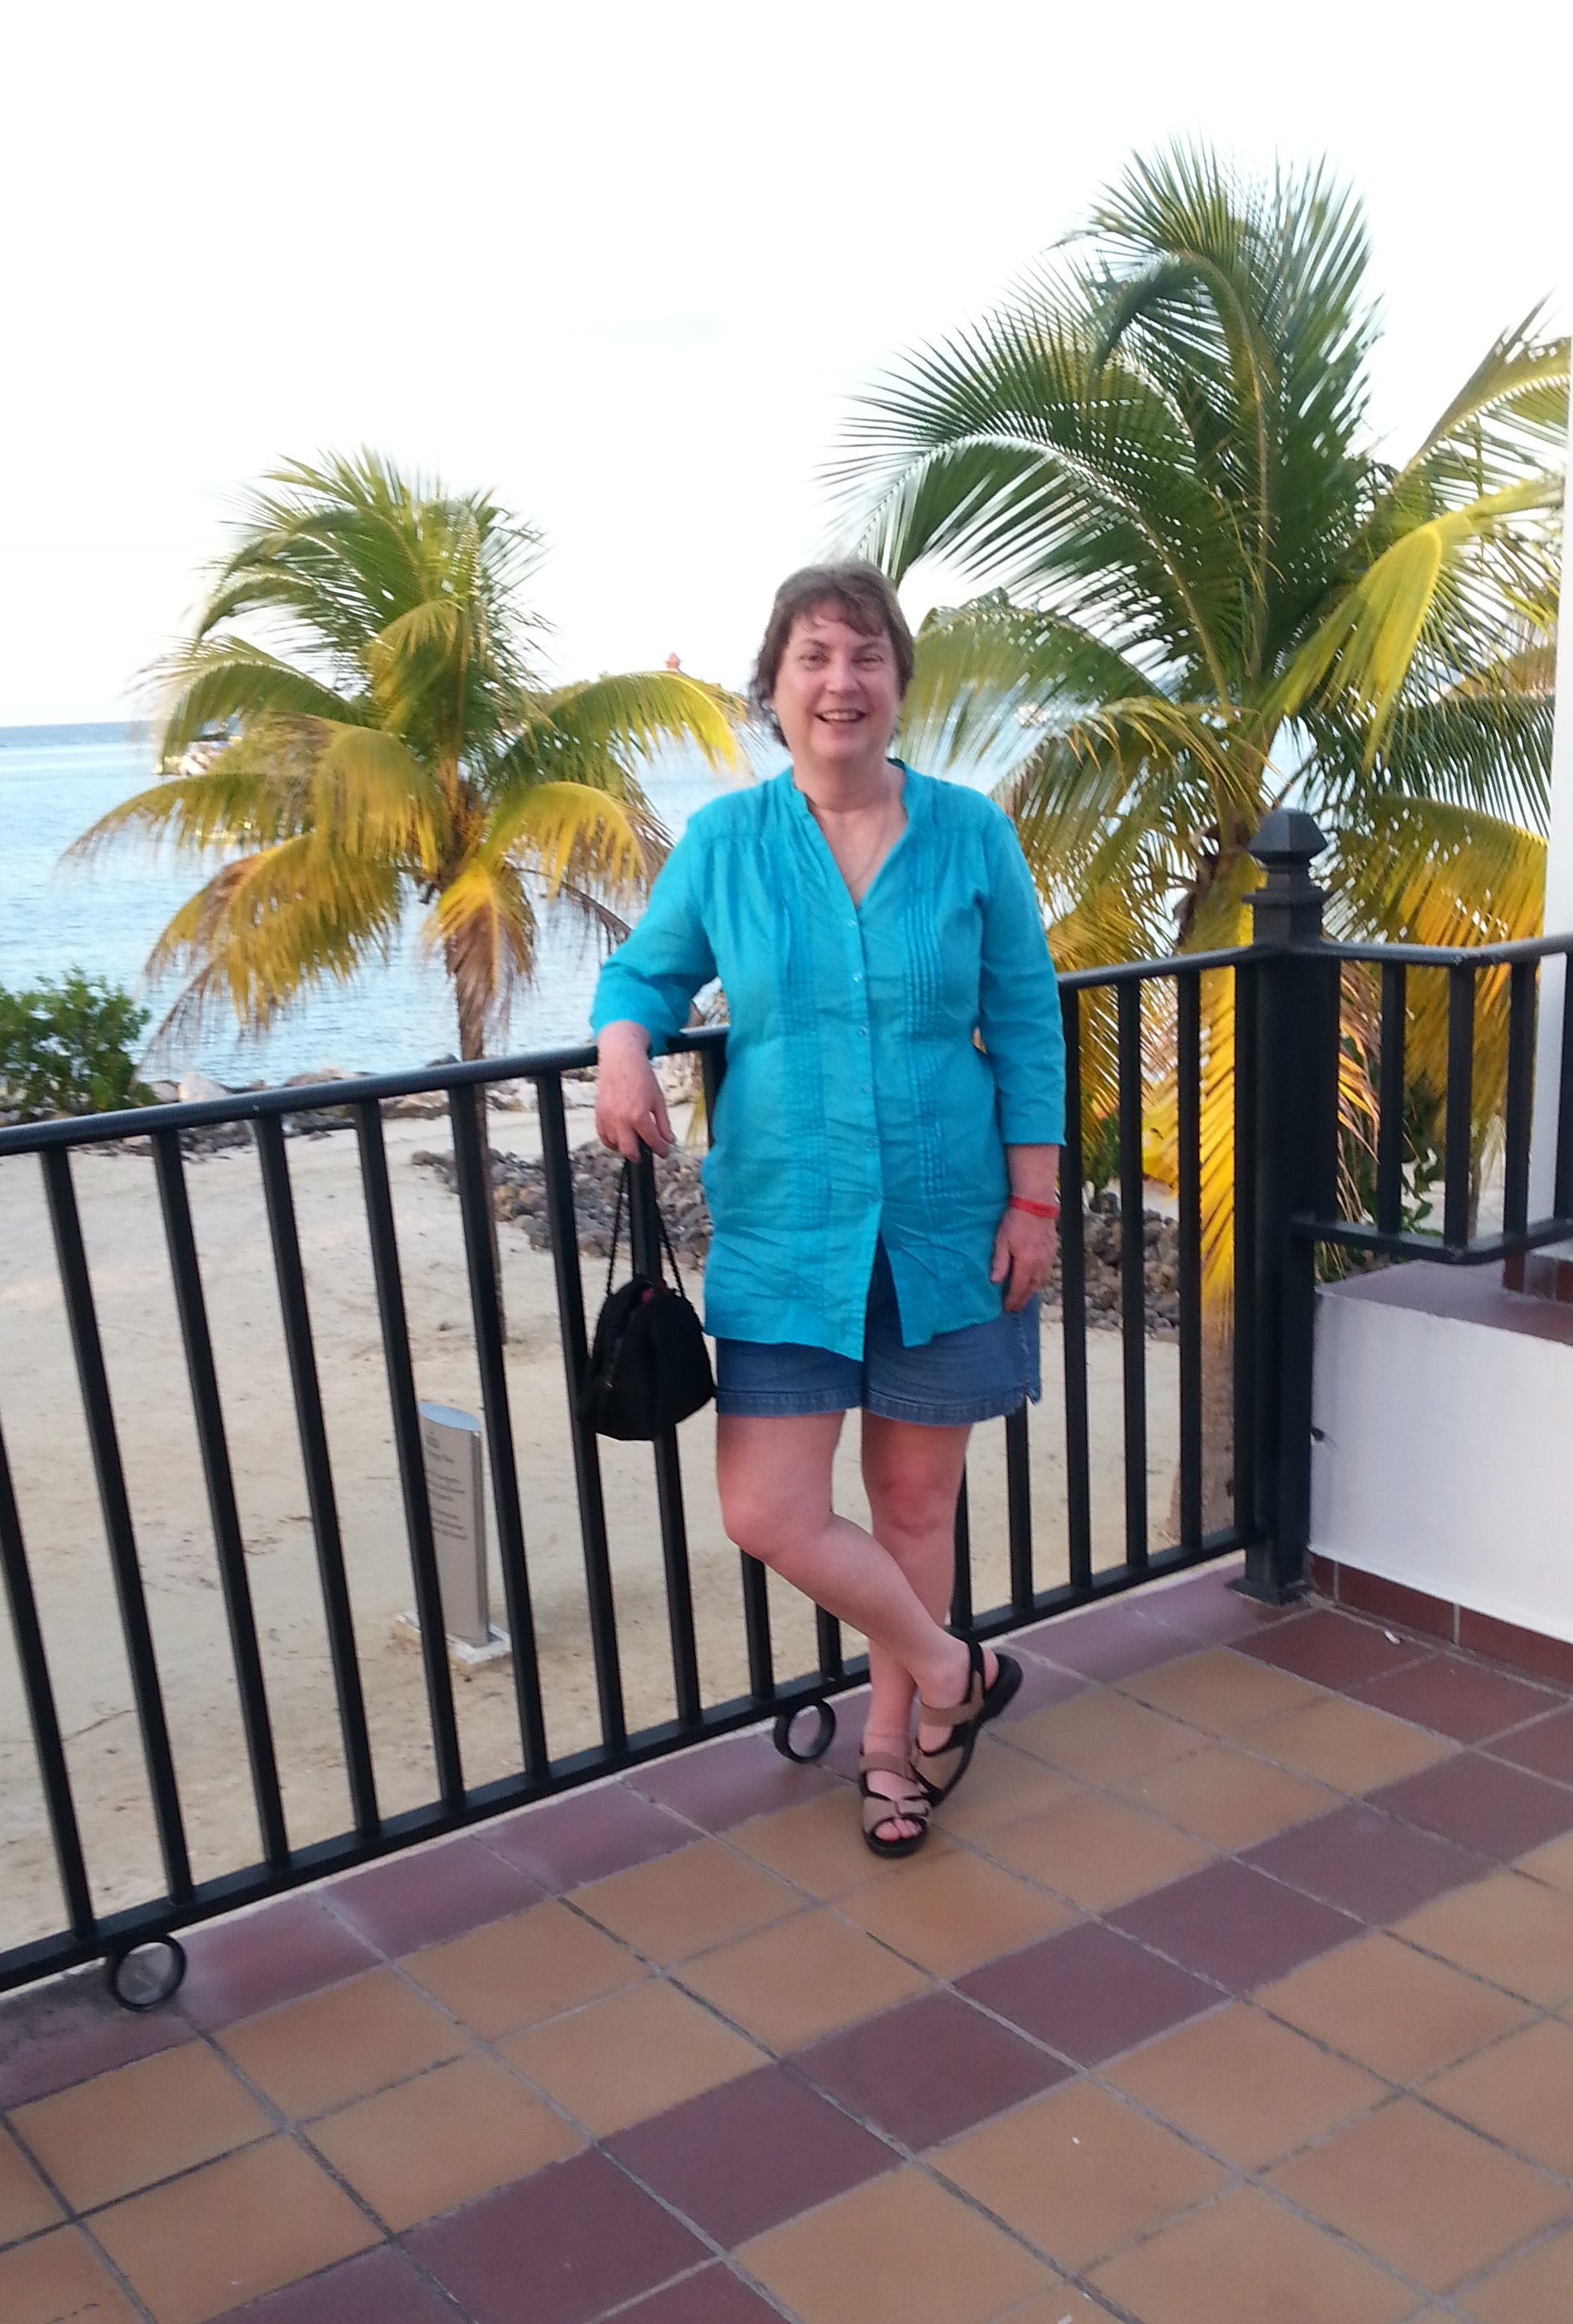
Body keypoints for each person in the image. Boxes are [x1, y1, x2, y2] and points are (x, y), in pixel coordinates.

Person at [592, 563, 1064, 1855]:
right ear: (775, 688)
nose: (840, 682)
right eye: (813, 657)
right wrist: (624, 1042)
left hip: (946, 1222)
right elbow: (646, 969)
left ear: (900, 686)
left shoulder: (970, 833)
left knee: (915, 1509)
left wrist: (1036, 1197)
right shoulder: (727, 844)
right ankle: (955, 1674)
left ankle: (893, 1750)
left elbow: (1024, 1017)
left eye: (865, 657)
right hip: (789, 1228)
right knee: (767, 1510)